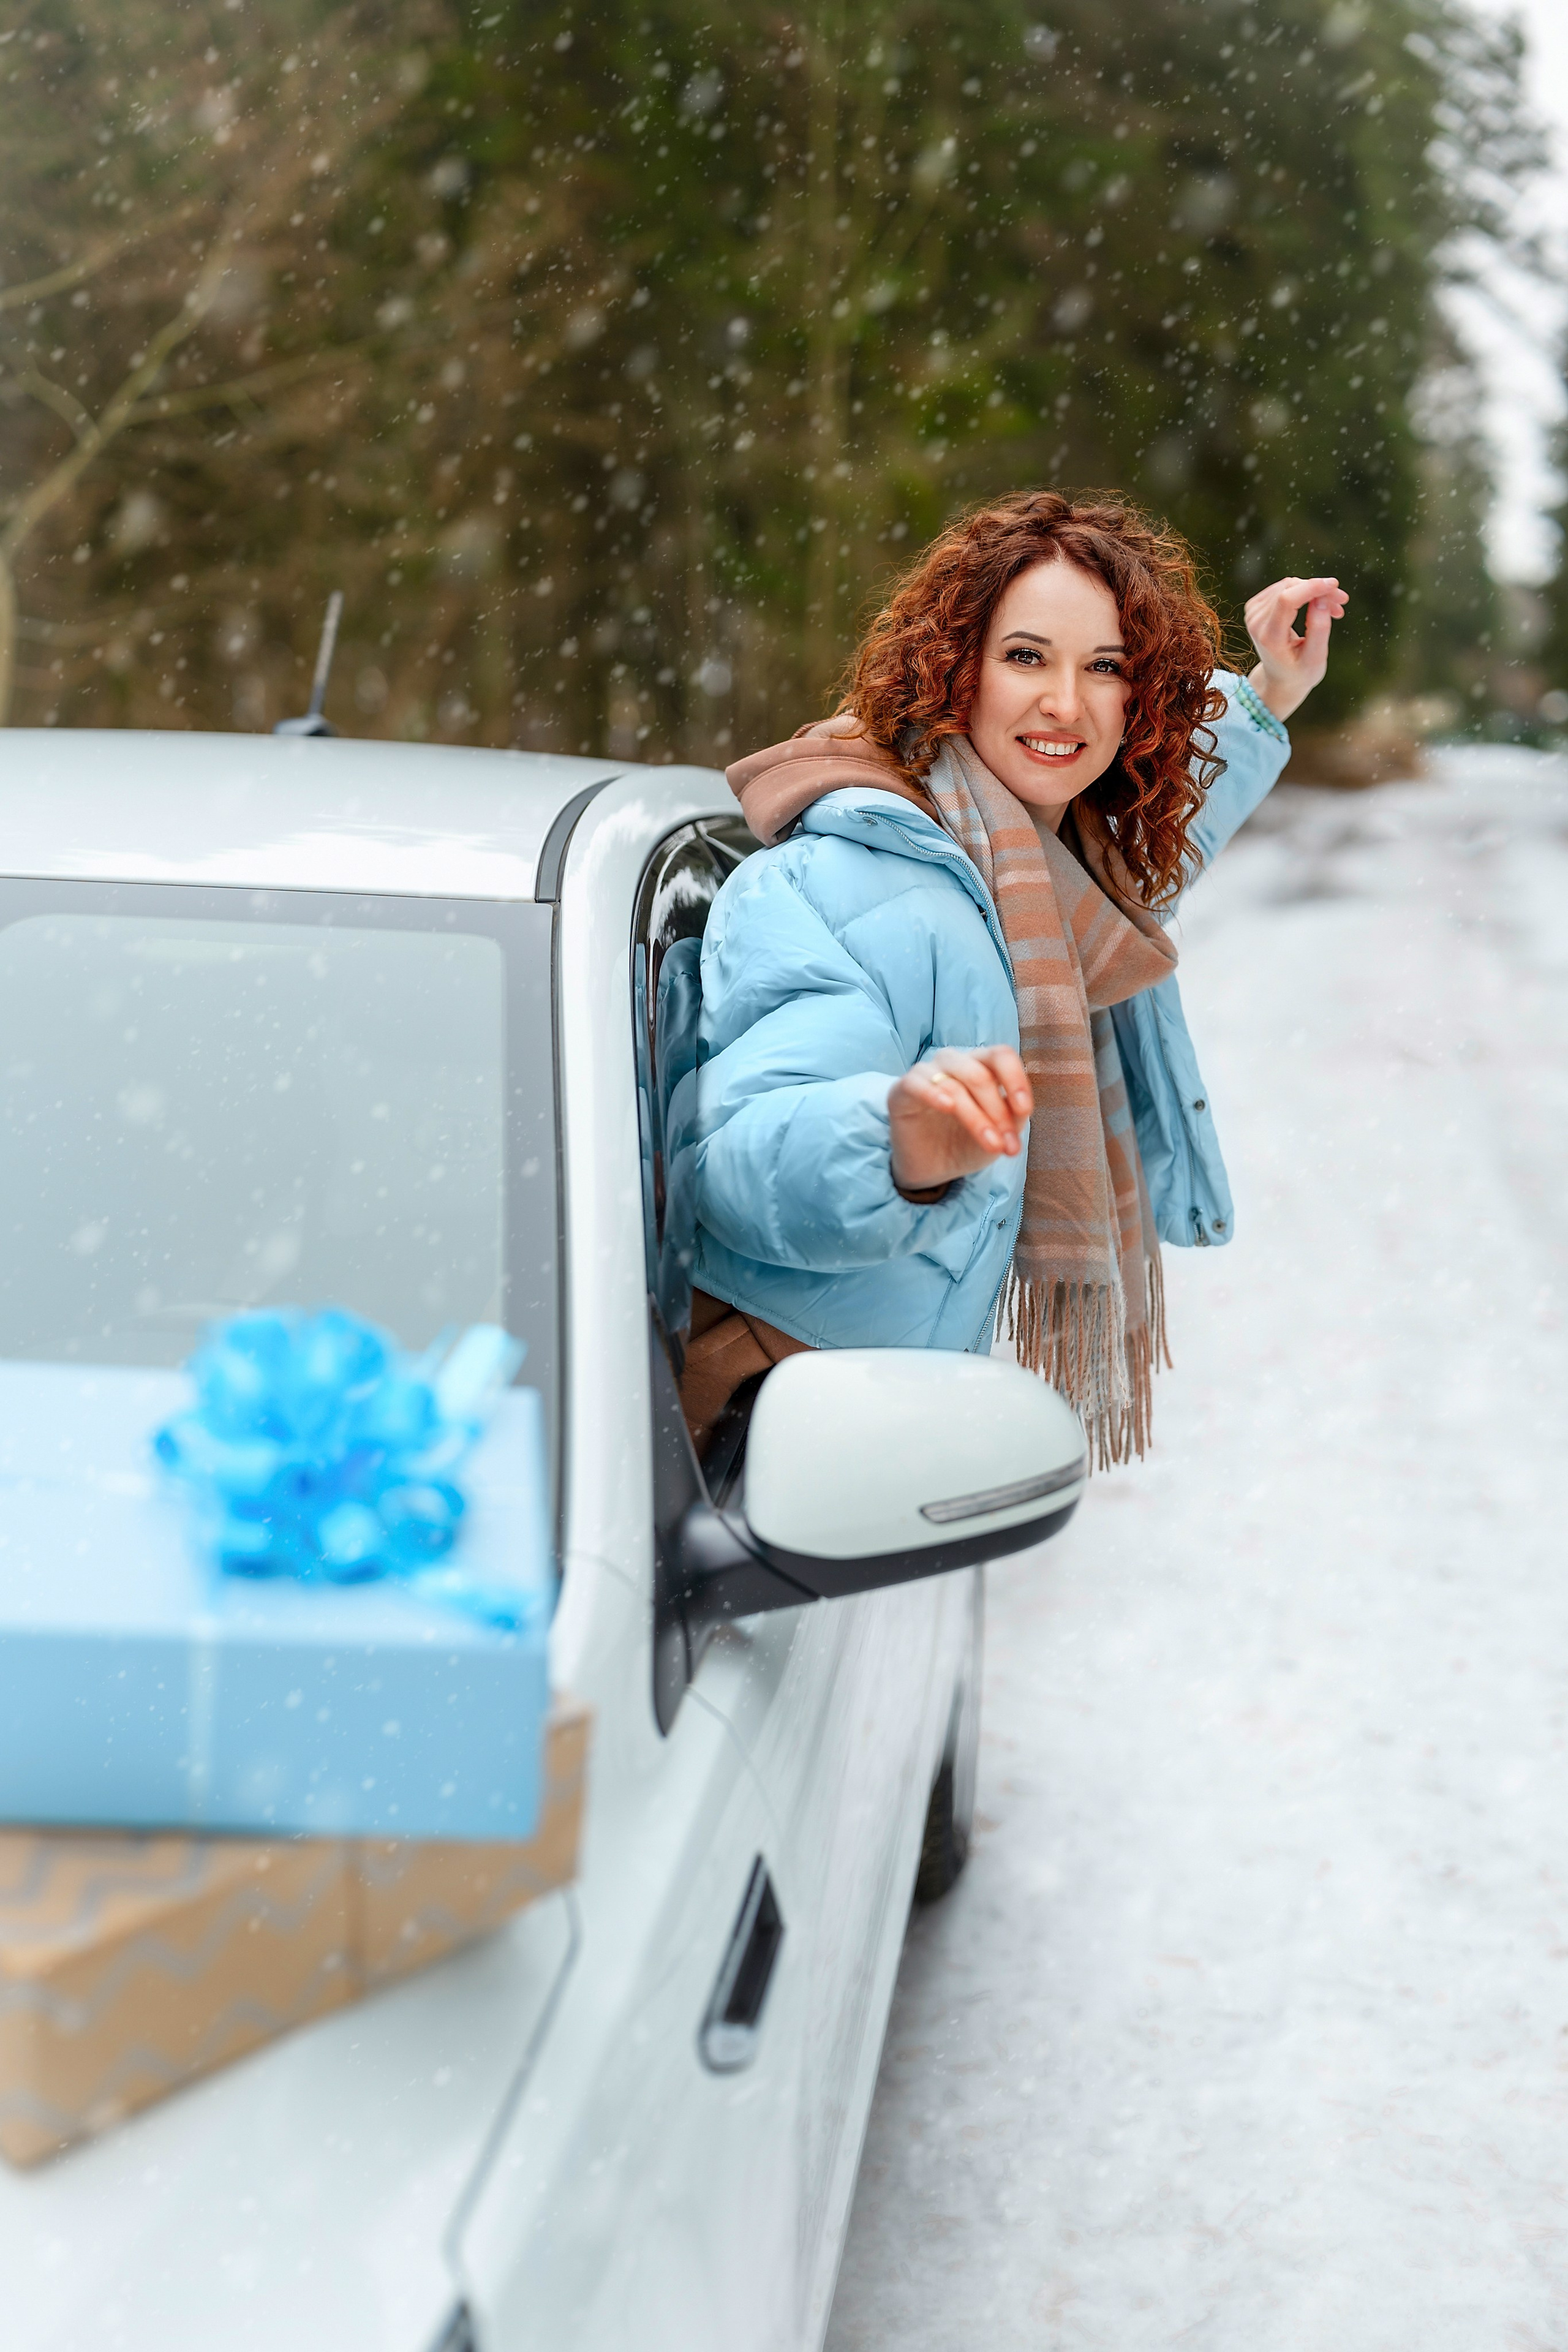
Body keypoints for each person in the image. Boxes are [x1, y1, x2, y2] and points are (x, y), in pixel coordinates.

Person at [682, 491, 1344, 1466]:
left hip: (880, 1413)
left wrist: (1267, 694)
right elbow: (730, 1163)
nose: (1066, 704)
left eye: (1105, 667)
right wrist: (891, 1141)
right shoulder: (839, 879)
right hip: (774, 1424)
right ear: (960, 667)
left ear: (1140, 701)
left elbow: (1163, 840)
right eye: (1027, 656)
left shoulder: (1059, 865)